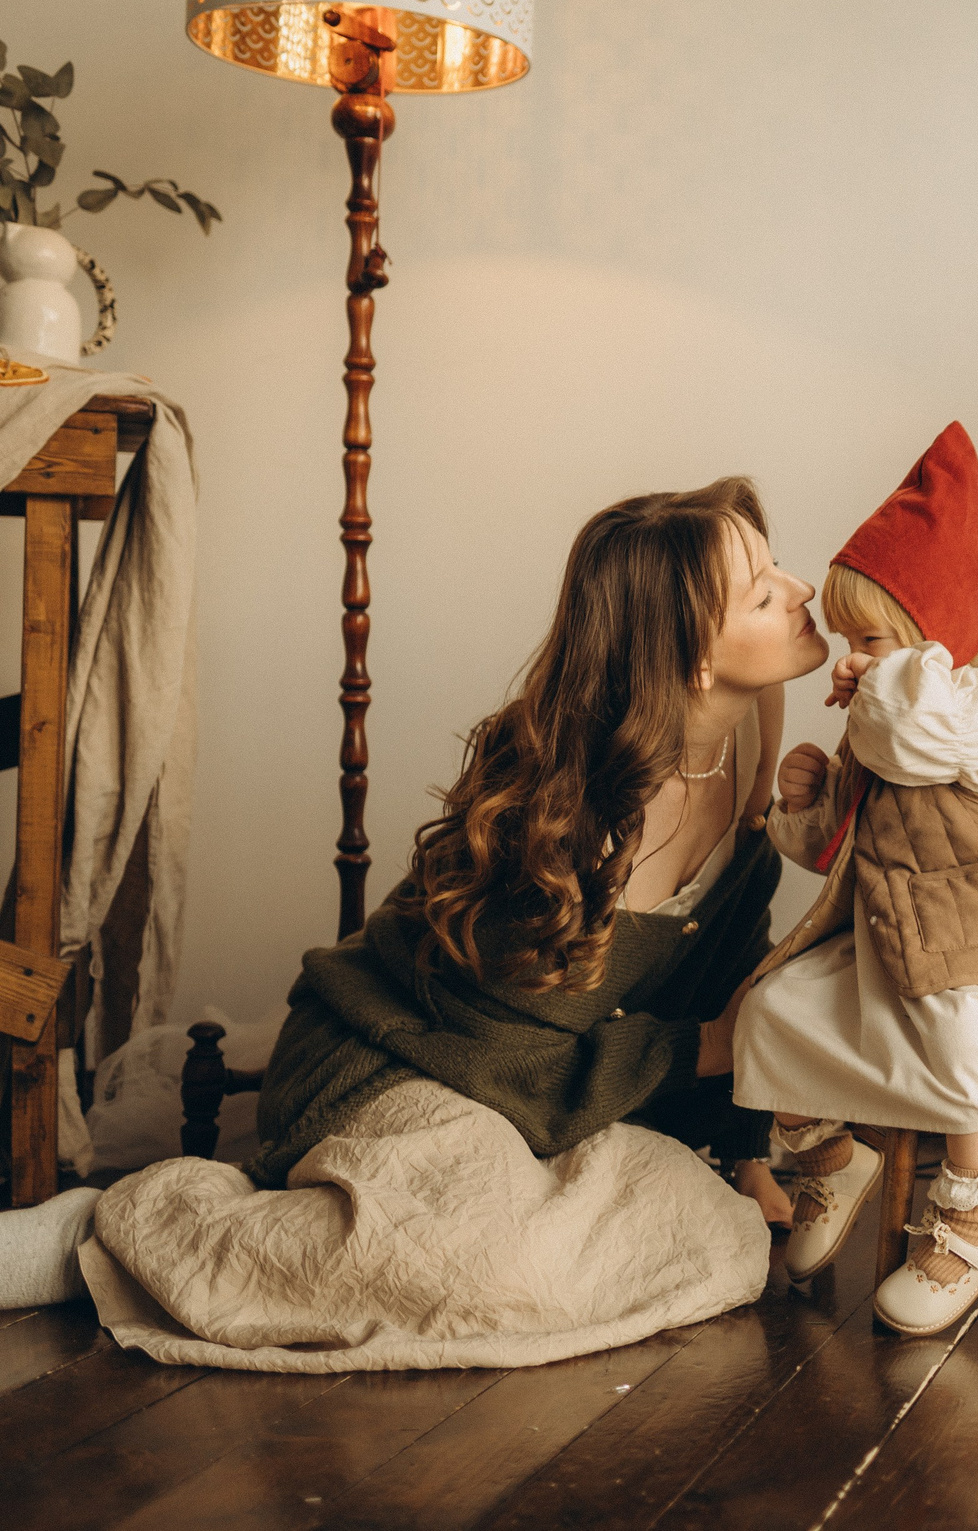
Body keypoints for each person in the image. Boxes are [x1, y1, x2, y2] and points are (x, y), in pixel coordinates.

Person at [0, 478, 831, 1374]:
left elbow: (733, 945)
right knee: (481, 1257)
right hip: (401, 1050)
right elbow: (506, 1056)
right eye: (763, 593)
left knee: (692, 1223)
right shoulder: (571, 821)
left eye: (777, 568)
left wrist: (745, 1151)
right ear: (692, 661)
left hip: (544, 1087)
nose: (802, 589)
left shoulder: (754, 726)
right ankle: (109, 1233)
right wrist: (703, 1048)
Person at [731, 422, 978, 1336]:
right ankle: (832, 1159)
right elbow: (846, 849)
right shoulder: (882, 715)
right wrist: (805, 804)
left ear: (934, 633)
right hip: (894, 938)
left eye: (869, 636)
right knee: (772, 1006)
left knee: (962, 1036)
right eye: (847, 637)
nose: (850, 655)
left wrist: (877, 685)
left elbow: (912, 740)